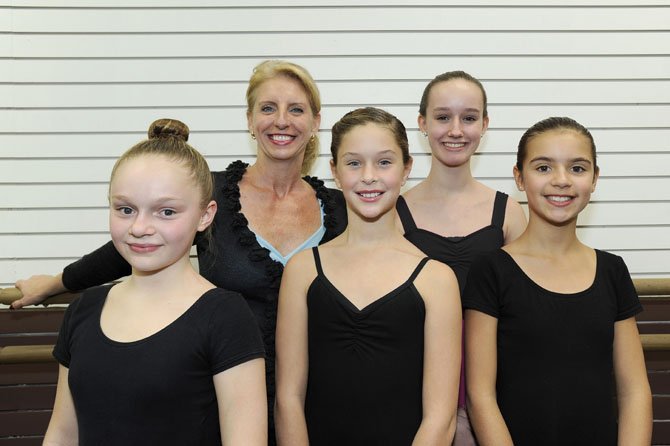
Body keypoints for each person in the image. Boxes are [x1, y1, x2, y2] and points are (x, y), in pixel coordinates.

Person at [13, 61, 347, 444]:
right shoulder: (212, 193)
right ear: (250, 119)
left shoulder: (340, 208)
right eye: (268, 108)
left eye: (296, 109)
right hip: (217, 391)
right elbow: (133, 245)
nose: (281, 121)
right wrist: (54, 283)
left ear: (316, 121)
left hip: (314, 403)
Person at [43, 119, 267, 445]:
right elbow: (62, 433)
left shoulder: (225, 317)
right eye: (125, 209)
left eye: (165, 212)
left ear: (205, 215)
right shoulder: (83, 311)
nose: (140, 227)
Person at [275, 107, 462, 445]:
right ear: (334, 170)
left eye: (384, 162)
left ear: (406, 169)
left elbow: (440, 417)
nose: (369, 176)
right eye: (354, 163)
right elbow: (288, 399)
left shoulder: (437, 280)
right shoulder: (303, 270)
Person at [463, 117, 652, 445]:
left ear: (595, 179)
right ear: (519, 178)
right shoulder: (491, 270)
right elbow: (481, 395)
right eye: (543, 168)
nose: (561, 181)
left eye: (578, 168)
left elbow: (635, 391)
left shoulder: (612, 271)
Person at [395, 70, 527, 444]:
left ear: (484, 125)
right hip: (414, 384)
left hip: (494, 386)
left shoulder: (509, 212)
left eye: (468, 118)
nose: (455, 130)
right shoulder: (393, 212)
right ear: (422, 123)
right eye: (442, 117)